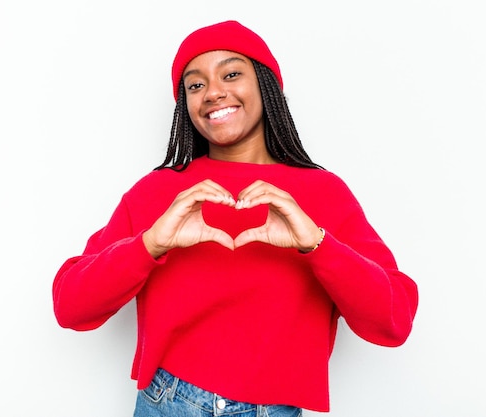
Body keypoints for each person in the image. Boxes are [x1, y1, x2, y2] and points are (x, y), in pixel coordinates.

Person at [52, 20, 418, 416]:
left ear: (265, 85)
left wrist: (317, 244)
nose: (212, 92)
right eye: (195, 85)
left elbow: (393, 321)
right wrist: (149, 245)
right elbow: (70, 306)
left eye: (230, 74)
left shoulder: (322, 194)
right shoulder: (159, 192)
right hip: (167, 403)